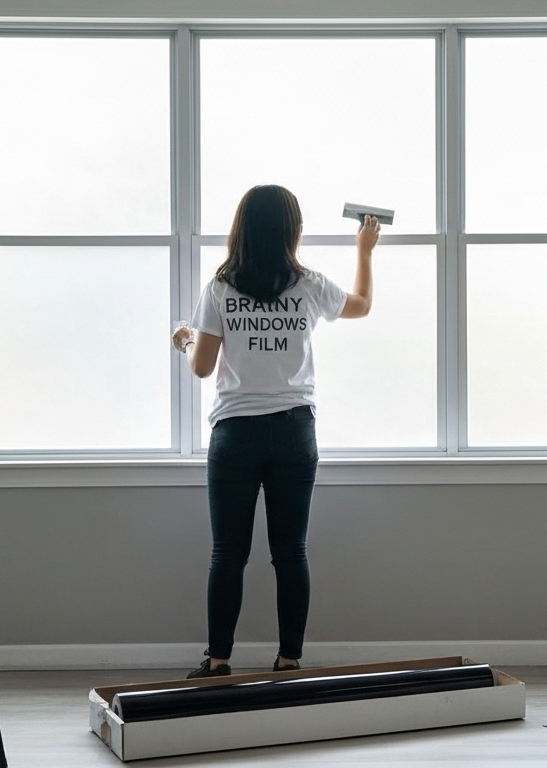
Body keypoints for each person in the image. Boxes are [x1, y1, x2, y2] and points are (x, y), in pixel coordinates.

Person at [172, 184, 380, 678]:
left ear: (240, 230)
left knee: (229, 553)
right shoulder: (308, 285)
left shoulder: (221, 288)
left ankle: (218, 660)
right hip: (293, 432)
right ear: (293, 232)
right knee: (291, 553)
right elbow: (362, 305)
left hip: (235, 433)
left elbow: (202, 368)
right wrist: (364, 253)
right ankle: (289, 661)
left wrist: (183, 339)